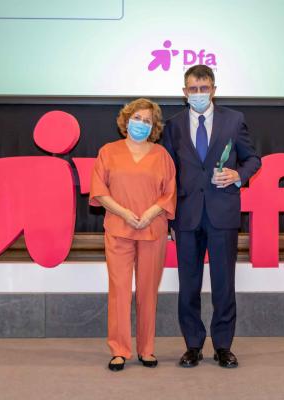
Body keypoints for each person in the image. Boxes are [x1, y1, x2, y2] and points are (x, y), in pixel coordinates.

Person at [162, 65, 261, 368]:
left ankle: (223, 346)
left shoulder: (234, 120)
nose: (199, 94)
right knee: (188, 286)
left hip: (222, 214)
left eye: (204, 89)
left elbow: (253, 159)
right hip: (186, 216)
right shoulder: (173, 125)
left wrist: (238, 175)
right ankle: (193, 345)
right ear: (184, 92)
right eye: (193, 89)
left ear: (214, 90)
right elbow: (166, 172)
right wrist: (168, 217)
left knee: (223, 284)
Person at [90, 98, 176, 371]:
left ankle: (146, 349)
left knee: (148, 291)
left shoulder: (161, 155)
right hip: (119, 228)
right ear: (126, 120)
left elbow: (169, 193)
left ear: (154, 127)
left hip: (153, 229)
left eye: (147, 120)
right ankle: (119, 350)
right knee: (120, 290)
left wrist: (150, 213)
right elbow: (99, 190)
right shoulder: (108, 152)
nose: (141, 124)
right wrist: (125, 213)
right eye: (137, 118)